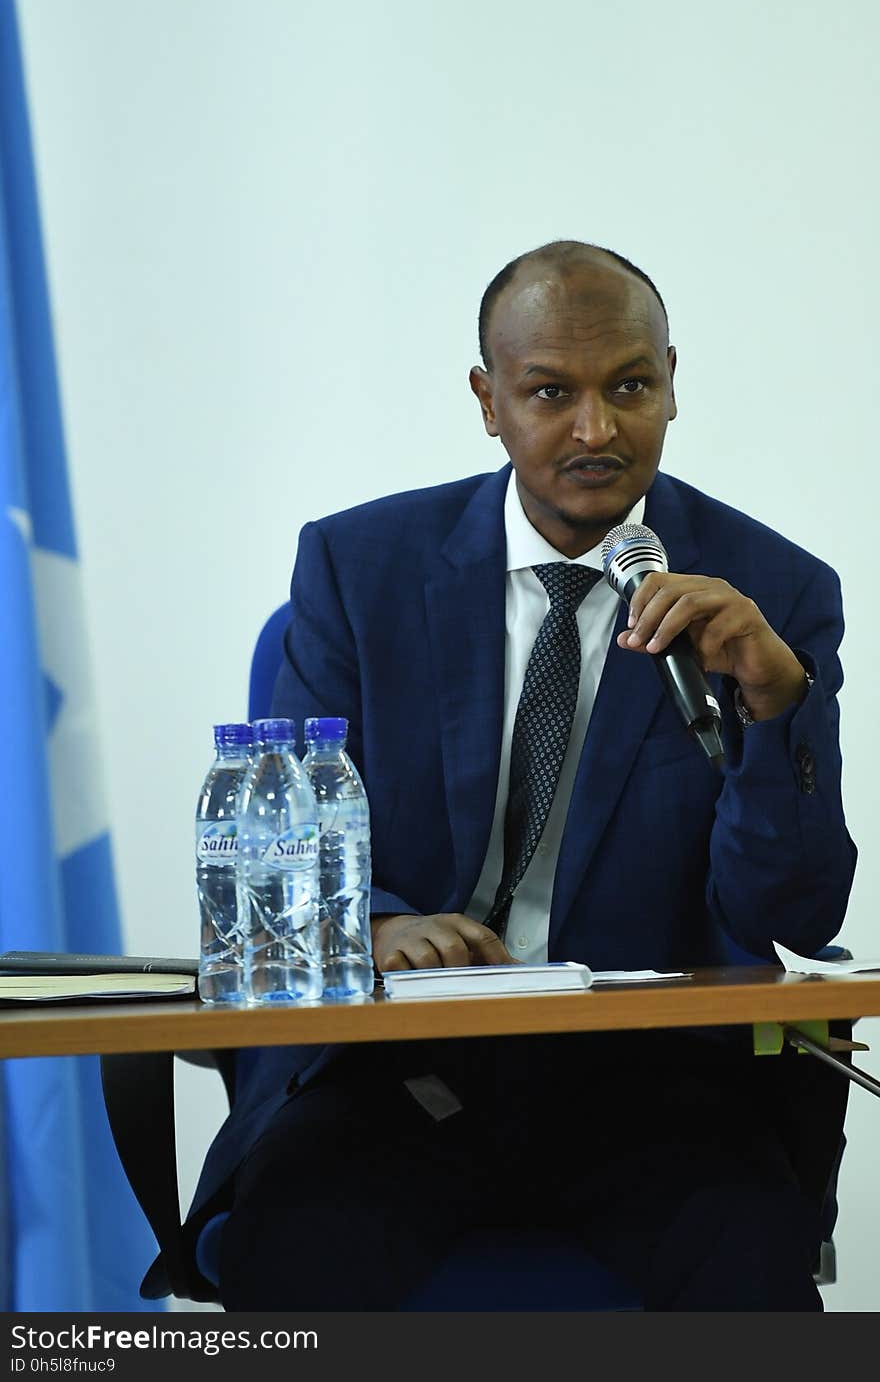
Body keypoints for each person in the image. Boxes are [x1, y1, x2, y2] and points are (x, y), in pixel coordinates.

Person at [187, 240, 856, 1311]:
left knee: (752, 1268)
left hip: (650, 1088)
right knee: (294, 1250)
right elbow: (284, 865)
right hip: (398, 1071)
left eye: (629, 385)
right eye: (551, 391)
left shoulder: (772, 588)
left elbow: (791, 909)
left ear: (672, 382)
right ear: (486, 400)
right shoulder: (358, 571)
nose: (596, 428)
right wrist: (377, 925)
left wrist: (778, 705)